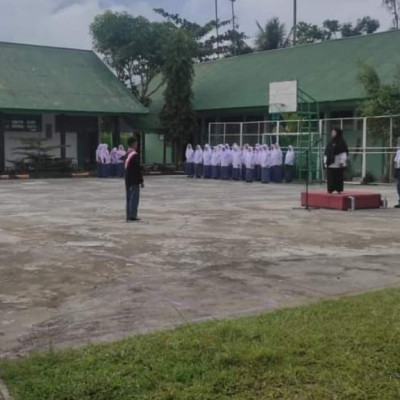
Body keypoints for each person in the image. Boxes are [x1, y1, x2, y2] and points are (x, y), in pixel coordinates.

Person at [125, 137, 144, 222]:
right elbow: (137, 169)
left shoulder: (127, 154)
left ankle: (129, 215)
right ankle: (133, 215)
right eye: (136, 144)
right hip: (134, 179)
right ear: (133, 144)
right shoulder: (134, 155)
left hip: (128, 179)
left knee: (129, 197)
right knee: (134, 197)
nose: (137, 146)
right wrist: (141, 180)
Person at [324, 128, 348, 194]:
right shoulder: (330, 142)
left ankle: (338, 189)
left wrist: (342, 163)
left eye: (334, 132)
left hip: (338, 164)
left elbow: (343, 153)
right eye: (332, 132)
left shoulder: (341, 143)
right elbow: (326, 152)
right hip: (330, 164)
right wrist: (325, 162)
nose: (332, 134)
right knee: (330, 178)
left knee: (338, 178)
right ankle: (330, 190)